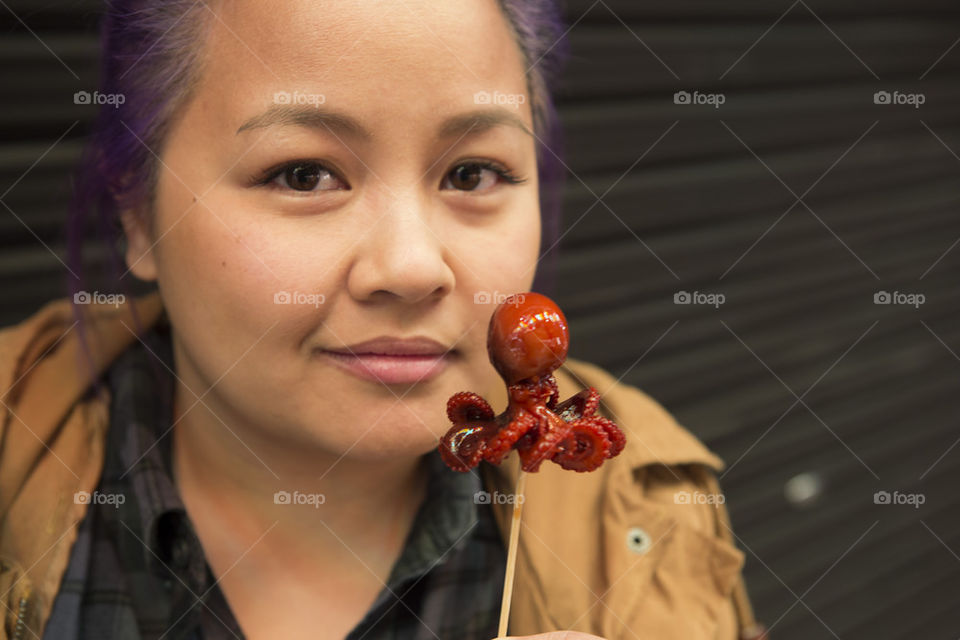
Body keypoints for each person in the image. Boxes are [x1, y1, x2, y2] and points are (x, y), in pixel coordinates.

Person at [0, 1, 766, 638]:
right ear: (136, 212)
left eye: (472, 173)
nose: (410, 268)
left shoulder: (652, 512)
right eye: (303, 175)